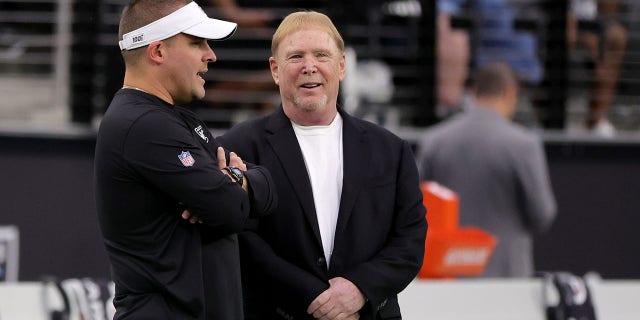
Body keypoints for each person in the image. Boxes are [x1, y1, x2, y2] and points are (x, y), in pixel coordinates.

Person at [218, 11, 428, 320]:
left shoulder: (390, 150)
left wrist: (359, 290)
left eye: (321, 55)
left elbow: (410, 238)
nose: (309, 66)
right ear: (275, 70)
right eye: (296, 57)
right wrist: (316, 298)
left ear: (342, 66)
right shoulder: (239, 146)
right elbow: (240, 240)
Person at [94, 1, 277, 319]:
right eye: (196, 43)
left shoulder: (175, 119)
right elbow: (231, 209)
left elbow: (265, 193)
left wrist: (233, 180)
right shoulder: (144, 124)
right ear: (158, 52)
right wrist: (232, 189)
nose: (211, 55)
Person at [416, 62, 557, 277]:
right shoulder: (524, 145)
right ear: (510, 93)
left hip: (448, 275)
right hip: (506, 277)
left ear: (473, 92)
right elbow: (542, 214)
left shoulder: (434, 141)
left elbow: (414, 207)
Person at [567, 0, 628, 136]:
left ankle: (597, 121)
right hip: (555, 20)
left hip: (592, 24)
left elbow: (610, 10)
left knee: (616, 36)